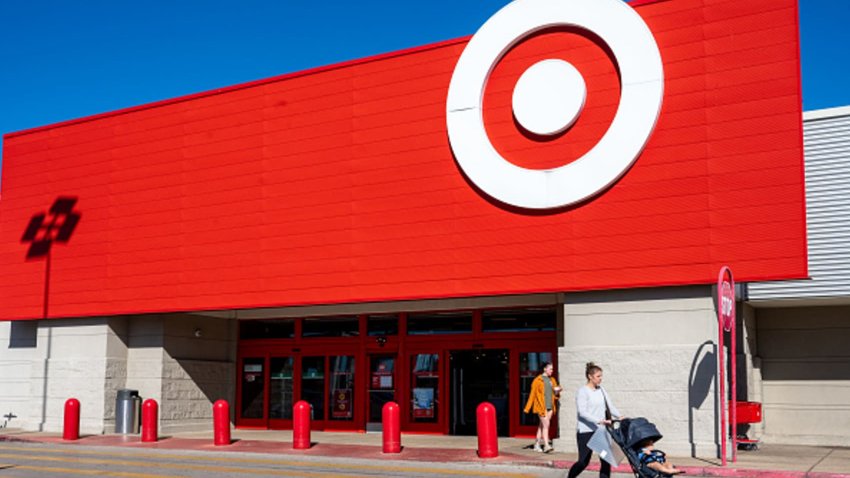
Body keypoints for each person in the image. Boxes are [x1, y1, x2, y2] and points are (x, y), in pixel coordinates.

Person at [567, 362, 622, 478]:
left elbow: (610, 407)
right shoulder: (583, 391)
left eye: (601, 376)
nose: (600, 379)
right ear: (590, 376)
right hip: (586, 431)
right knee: (583, 462)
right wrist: (599, 420)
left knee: (606, 460)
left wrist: (620, 416)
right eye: (598, 376)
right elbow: (582, 413)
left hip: (601, 431)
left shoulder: (601, 390)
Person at [523, 361, 561, 453]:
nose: (552, 371)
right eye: (550, 369)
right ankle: (547, 445)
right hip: (541, 407)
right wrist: (527, 408)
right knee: (546, 425)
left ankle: (537, 444)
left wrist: (557, 391)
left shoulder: (552, 380)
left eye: (552, 369)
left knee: (542, 426)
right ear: (545, 369)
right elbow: (532, 395)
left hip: (550, 406)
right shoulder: (537, 380)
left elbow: (555, 395)